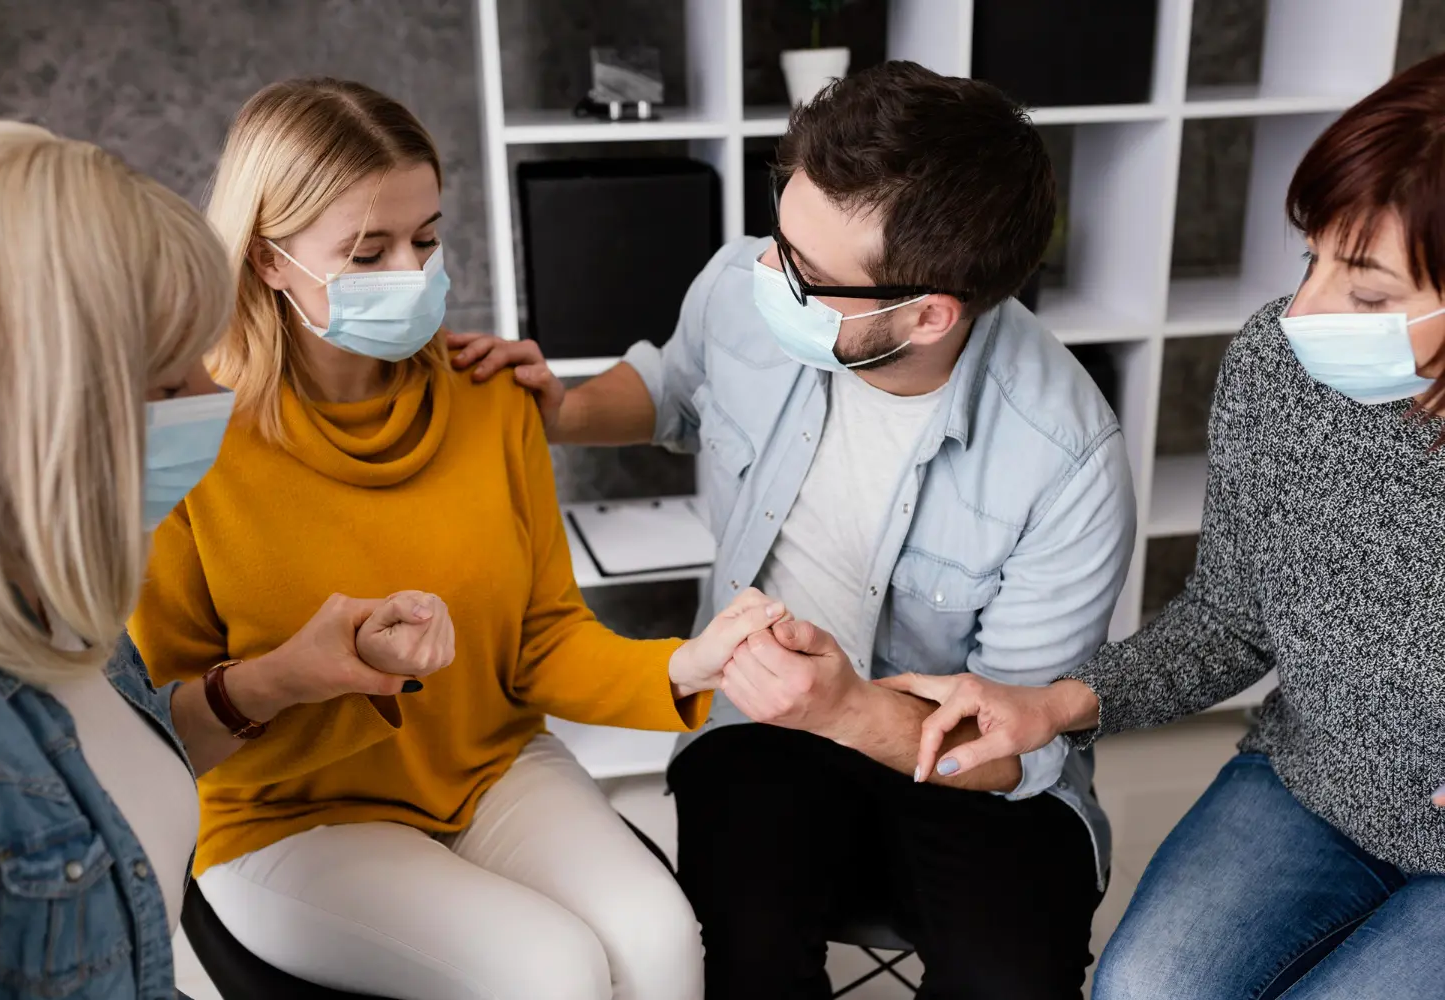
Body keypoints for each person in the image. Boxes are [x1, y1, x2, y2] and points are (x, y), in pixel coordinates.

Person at [450, 61, 1137, 998]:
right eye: (781, 232)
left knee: (1011, 980)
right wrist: (561, 409)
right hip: (759, 733)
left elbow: (1011, 744)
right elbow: (670, 387)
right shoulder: (744, 283)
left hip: (964, 771)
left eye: (808, 275)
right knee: (737, 954)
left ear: (928, 313)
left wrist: (848, 710)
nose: (767, 270)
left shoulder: (1066, 455)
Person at [127, 77, 781, 1000]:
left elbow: (543, 638)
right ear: (271, 259)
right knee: (551, 972)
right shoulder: (192, 434)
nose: (413, 271)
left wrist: (687, 667)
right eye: (368, 250)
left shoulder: (491, 398)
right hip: (290, 817)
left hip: (489, 764)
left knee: (663, 942)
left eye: (426, 239)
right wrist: (297, 674)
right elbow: (156, 720)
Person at [882, 52, 1445, 1000]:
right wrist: (1052, 704)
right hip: (1312, 784)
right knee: (1143, 988)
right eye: (1310, 258)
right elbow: (1232, 621)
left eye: (1368, 295)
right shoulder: (1279, 370)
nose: (1300, 315)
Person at [0, 122, 442, 999]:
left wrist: (281, 679)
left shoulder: (58, 602)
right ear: (22, 412)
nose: (215, 399)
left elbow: (109, 761)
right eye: (171, 384)